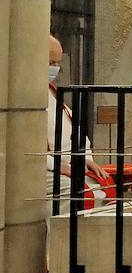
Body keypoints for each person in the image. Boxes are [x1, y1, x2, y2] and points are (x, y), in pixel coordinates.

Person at [46, 35, 111, 210]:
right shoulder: (26, 95)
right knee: (83, 193)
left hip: (70, 163)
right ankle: (68, 237)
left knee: (107, 185)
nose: (55, 68)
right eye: (50, 62)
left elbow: (75, 130)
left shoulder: (53, 92)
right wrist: (59, 166)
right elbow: (24, 146)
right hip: (45, 167)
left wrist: (87, 159)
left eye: (57, 63)